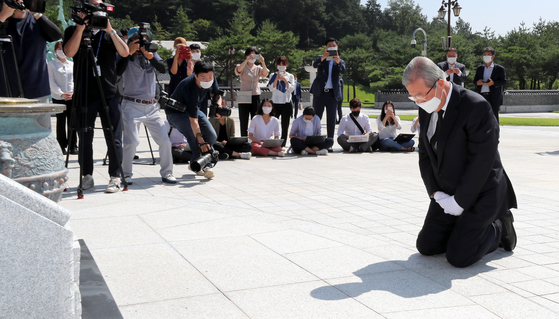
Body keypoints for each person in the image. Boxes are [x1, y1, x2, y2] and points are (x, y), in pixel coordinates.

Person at [403, 56, 517, 268]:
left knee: (459, 257)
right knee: (426, 247)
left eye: (420, 95)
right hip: (447, 190)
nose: (418, 101)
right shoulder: (426, 106)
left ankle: (500, 225)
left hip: (482, 190)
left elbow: (482, 162)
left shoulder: (476, 106)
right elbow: (425, 155)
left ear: (439, 83)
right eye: (413, 98)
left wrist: (460, 202)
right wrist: (436, 193)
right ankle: (463, 229)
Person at [63, 0, 130, 193]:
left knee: (114, 137)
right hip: (85, 92)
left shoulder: (109, 33)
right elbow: (69, 52)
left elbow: (125, 52)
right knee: (84, 135)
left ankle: (115, 176)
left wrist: (109, 30)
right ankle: (87, 175)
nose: (94, 10)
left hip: (109, 92)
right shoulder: (74, 30)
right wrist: (80, 28)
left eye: (98, 6)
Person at [118, 27, 176, 185]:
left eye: (144, 41)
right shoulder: (124, 53)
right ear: (130, 41)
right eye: (137, 41)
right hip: (131, 104)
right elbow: (117, 70)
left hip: (151, 106)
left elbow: (163, 70)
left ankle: (167, 173)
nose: (141, 44)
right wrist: (129, 52)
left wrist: (151, 57)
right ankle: (127, 174)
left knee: (165, 140)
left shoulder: (151, 53)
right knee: (131, 142)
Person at [0, 1, 62, 130]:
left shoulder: (37, 22)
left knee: (40, 136)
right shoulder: (3, 21)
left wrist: (37, 14)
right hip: (6, 91)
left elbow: (56, 35)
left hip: (37, 89)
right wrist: (2, 16)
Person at [166, 61, 221, 179]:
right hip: (175, 113)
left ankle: (195, 163)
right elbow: (193, 122)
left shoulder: (211, 77)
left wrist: (218, 105)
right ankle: (205, 165)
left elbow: (217, 94)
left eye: (210, 76)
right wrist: (201, 140)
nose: (208, 80)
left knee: (211, 135)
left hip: (193, 109)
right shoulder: (189, 88)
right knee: (193, 134)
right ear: (195, 76)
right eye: (203, 77)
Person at [310, 37, 346, 147]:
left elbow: (343, 71)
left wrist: (338, 61)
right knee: (316, 117)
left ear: (337, 47)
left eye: (333, 45)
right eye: (329, 45)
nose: (331, 47)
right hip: (320, 93)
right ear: (326, 47)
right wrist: (323, 58)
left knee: (331, 119)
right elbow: (314, 65)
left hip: (332, 94)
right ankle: (313, 141)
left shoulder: (340, 61)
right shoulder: (321, 58)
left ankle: (329, 143)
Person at [48, 41, 77, 155]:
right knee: (61, 121)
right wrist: (61, 93)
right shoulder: (51, 64)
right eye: (59, 49)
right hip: (58, 97)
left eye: (63, 49)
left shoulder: (72, 64)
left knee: (72, 121)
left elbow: (75, 80)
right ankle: (61, 145)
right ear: (55, 51)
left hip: (72, 96)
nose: (61, 51)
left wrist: (73, 93)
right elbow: (51, 81)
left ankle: (73, 145)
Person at [235, 47, 269, 137]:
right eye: (251, 55)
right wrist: (246, 60)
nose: (253, 58)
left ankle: (255, 138)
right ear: (246, 55)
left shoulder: (258, 68)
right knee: (243, 118)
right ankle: (244, 138)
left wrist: (263, 62)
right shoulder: (242, 65)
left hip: (255, 94)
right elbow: (238, 70)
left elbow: (265, 74)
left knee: (256, 118)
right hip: (244, 94)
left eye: (255, 55)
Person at [473, 46, 507, 122]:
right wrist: (477, 83)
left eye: (488, 55)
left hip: (494, 96)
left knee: (493, 117)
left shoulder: (499, 69)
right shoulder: (480, 68)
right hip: (481, 95)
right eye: (484, 55)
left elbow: (503, 81)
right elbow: (475, 81)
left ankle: (495, 133)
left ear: (493, 56)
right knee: (481, 116)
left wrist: (493, 83)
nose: (486, 56)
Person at [268, 56, 295, 147]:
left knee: (285, 124)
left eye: (283, 64)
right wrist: (276, 79)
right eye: (279, 64)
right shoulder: (272, 75)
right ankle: (272, 141)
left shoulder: (290, 76)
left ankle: (283, 143)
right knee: (273, 123)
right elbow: (271, 88)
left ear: (286, 65)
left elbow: (291, 90)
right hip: (275, 103)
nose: (281, 66)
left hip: (286, 103)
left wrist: (285, 80)